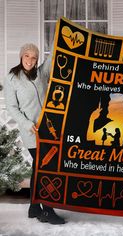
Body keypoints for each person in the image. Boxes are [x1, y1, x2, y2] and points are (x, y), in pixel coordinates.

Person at [4, 43, 65, 224]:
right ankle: (47, 210)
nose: (30, 60)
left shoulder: (41, 74)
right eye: (27, 56)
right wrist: (26, 123)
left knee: (38, 168)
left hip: (47, 128)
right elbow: (12, 107)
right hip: (31, 131)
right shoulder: (12, 78)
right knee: (44, 167)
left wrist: (61, 37)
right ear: (21, 56)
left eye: (34, 57)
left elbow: (52, 57)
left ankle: (33, 208)